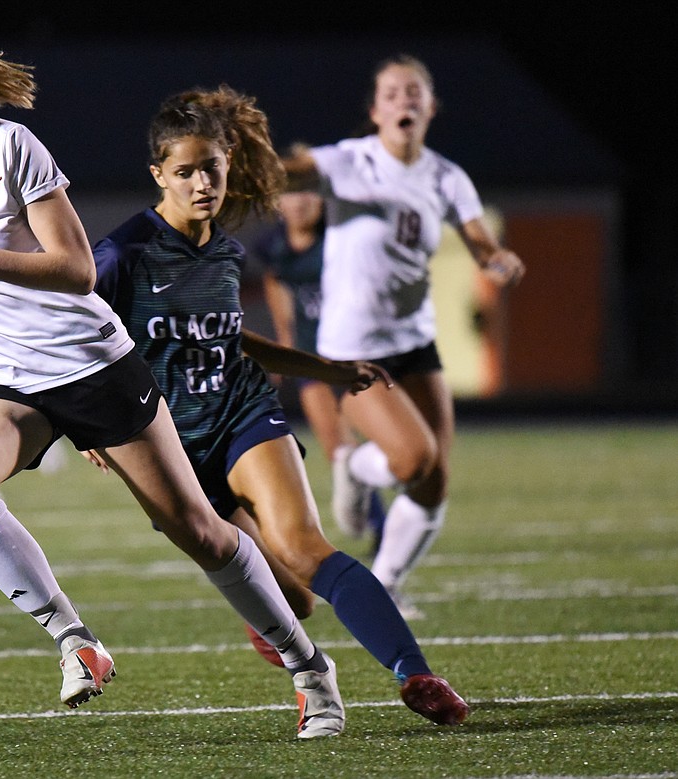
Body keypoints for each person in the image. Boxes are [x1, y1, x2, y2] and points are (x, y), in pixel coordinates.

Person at [0, 29, 344, 737]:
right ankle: (75, 640)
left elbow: (79, 270)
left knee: (200, 532)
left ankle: (310, 671)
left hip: (91, 363)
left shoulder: (8, 147)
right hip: (2, 380)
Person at [89, 84, 470, 727]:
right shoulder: (120, 255)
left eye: (211, 167)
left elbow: (229, 338)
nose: (201, 183)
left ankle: (418, 675)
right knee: (294, 601)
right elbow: (73, 337)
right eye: (184, 172)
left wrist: (327, 369)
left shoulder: (228, 253)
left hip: (241, 412)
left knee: (303, 546)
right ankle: (279, 632)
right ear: (159, 174)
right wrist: (94, 429)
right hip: (165, 443)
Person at [283, 54, 526, 618]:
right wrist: (245, 158)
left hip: (414, 340)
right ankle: (357, 465)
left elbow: (477, 240)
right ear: (376, 110)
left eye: (414, 92)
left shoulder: (445, 175)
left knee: (434, 480)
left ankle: (386, 584)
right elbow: (290, 170)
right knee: (415, 459)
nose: (404, 101)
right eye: (392, 93)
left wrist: (496, 259)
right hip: (353, 349)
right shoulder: (349, 162)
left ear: (430, 106)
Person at [249, 160, 387, 553]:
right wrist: (285, 337)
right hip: (312, 358)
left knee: (381, 445)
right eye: (290, 193)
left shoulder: (340, 240)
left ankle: (386, 516)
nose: (299, 202)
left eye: (308, 192)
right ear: (277, 201)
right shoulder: (273, 245)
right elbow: (276, 281)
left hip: (353, 355)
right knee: (338, 450)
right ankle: (381, 527)